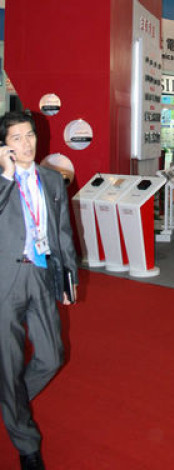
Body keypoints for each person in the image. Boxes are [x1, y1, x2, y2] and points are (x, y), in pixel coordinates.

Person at [0, 111, 79, 470]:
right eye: (16, 138)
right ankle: (26, 442)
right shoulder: (2, 179)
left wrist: (68, 276)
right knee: (9, 361)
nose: (26, 143)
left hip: (42, 274)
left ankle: (11, 403)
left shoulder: (51, 179)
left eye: (29, 135)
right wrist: (6, 176)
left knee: (51, 356)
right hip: (6, 280)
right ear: (4, 146)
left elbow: (63, 231)